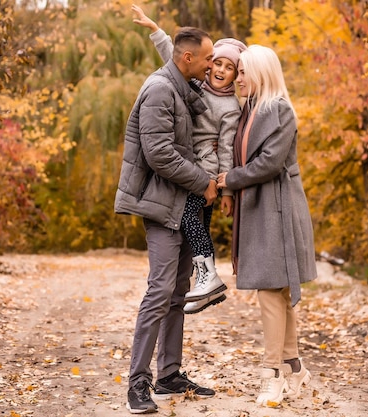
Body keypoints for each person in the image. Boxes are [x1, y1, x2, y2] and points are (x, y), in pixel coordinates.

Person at [114, 26, 219, 414]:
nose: (212, 65)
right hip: (162, 206)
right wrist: (203, 182)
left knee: (178, 291)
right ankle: (138, 385)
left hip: (183, 203)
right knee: (159, 293)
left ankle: (169, 374)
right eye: (208, 58)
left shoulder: (181, 86)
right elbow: (158, 153)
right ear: (187, 58)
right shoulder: (160, 90)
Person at [216, 45, 318, 406]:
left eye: (243, 71)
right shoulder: (248, 110)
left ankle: (272, 373)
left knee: (271, 293)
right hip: (257, 208)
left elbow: (270, 164)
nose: (237, 78)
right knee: (278, 293)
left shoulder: (280, 110)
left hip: (278, 209)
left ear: (261, 72)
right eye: (238, 71)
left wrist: (230, 180)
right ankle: (294, 369)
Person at [132, 5, 247, 314]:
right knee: (195, 226)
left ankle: (207, 277)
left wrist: (227, 190)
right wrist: (156, 30)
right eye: (216, 63)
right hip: (190, 167)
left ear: (237, 75)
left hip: (205, 170)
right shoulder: (196, 84)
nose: (220, 70)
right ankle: (206, 279)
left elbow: (227, 150)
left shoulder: (231, 109)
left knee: (192, 223)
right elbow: (174, 56)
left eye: (229, 68)